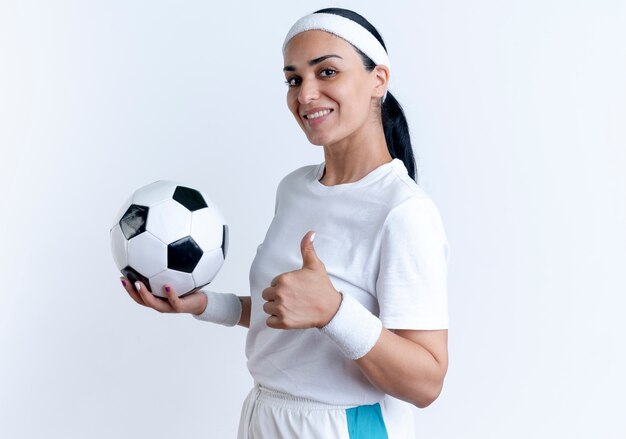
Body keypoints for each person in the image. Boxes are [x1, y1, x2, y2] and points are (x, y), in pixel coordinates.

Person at [120, 7, 450, 438]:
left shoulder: (403, 212)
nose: (306, 94)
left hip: (342, 425)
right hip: (264, 414)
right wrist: (202, 305)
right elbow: (284, 311)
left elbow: (426, 382)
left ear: (378, 80)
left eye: (326, 72)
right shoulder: (295, 188)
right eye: (294, 79)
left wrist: (333, 311)